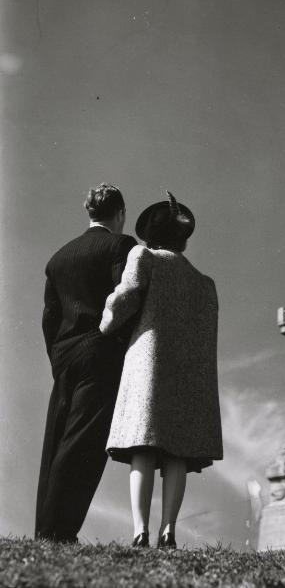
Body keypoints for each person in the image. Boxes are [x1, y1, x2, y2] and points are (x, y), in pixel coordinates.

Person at [99, 192, 223, 549]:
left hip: (149, 364)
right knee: (176, 453)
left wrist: (106, 322)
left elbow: (126, 297)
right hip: (189, 372)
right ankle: (169, 529)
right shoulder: (205, 283)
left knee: (143, 446)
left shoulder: (143, 257)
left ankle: (140, 530)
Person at [35, 183, 137, 542]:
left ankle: (45, 527)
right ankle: (59, 530)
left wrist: (58, 356)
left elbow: (49, 317)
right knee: (84, 443)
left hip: (63, 354)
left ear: (89, 212)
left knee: (58, 437)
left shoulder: (58, 258)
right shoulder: (121, 246)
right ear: (120, 213)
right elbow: (124, 301)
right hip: (101, 351)